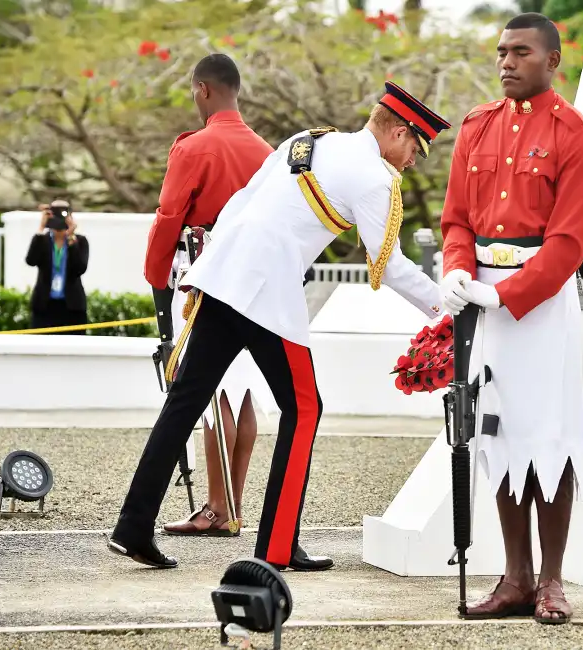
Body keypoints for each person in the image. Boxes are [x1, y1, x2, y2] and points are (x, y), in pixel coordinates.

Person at [106, 80, 451, 570]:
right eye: (416, 147)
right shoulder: (375, 178)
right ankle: (278, 545)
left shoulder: (310, 139)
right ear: (397, 132)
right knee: (304, 409)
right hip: (266, 294)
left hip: (223, 277)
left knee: (184, 402)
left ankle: (132, 527)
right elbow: (389, 264)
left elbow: (241, 202)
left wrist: (218, 266)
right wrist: (446, 308)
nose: (414, 159)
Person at [439, 13, 583, 623]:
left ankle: (553, 581)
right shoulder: (478, 127)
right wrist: (459, 268)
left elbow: (570, 242)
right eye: (502, 52)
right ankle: (515, 577)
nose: (507, 62)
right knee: (498, 431)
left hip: (537, 302)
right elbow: (456, 216)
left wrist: (506, 295)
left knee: (549, 435)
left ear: (553, 61)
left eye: (521, 52)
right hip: (482, 295)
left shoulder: (577, 136)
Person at [141, 53, 287, 549]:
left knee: (213, 396)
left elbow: (168, 216)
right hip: (257, 284)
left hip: (205, 275)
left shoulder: (195, 147)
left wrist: (156, 275)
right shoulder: (267, 152)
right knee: (244, 393)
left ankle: (217, 508)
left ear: (203, 90)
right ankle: (235, 505)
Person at [26, 199, 90, 333]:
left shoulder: (80, 241)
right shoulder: (42, 241)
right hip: (45, 305)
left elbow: (80, 268)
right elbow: (31, 260)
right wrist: (41, 228)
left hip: (72, 306)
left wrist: (71, 236)